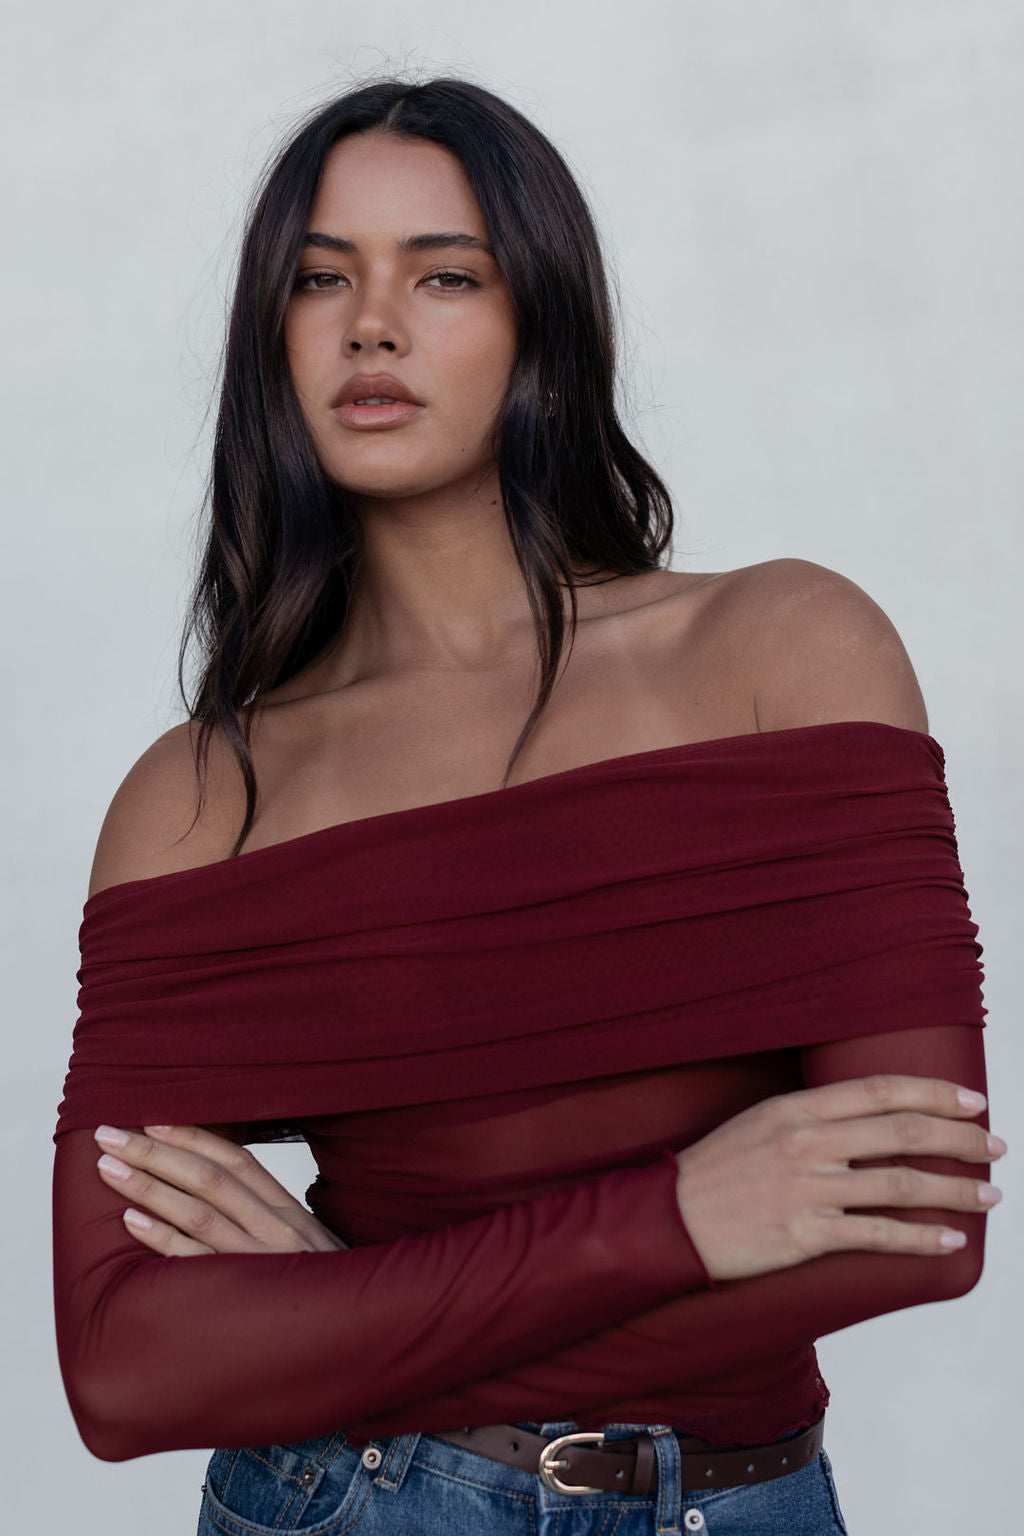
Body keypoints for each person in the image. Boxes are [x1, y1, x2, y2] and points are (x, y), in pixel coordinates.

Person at [52, 78, 1001, 1536]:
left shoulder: (784, 651)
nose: (373, 323)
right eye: (322, 279)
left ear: (539, 322)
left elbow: (919, 1227)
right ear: (275, 338)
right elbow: (126, 1369)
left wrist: (333, 1319)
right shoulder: (199, 800)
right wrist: (678, 1218)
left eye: (444, 273)